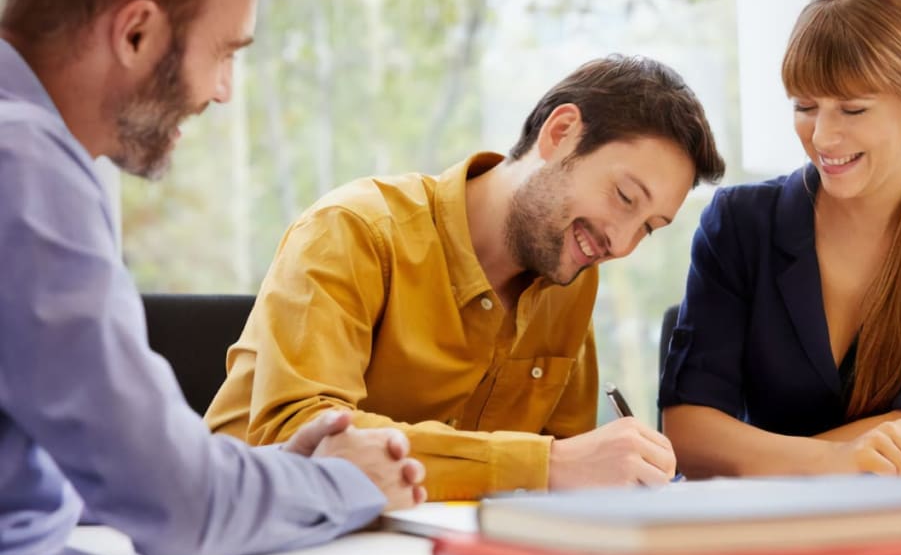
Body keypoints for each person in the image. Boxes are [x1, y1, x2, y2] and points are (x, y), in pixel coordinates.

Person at [0, 0, 426, 555]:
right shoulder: (25, 167)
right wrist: (347, 483)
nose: (222, 91)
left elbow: (84, 469)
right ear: (137, 33)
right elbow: (181, 508)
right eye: (224, 52)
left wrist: (284, 477)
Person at [205, 55, 726, 499]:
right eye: (625, 197)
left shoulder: (571, 283)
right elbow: (302, 436)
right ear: (561, 133)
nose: (622, 243)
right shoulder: (353, 230)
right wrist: (545, 464)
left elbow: (574, 470)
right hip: (256, 548)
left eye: (649, 228)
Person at [659, 0, 901, 478]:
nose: (822, 137)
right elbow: (690, 437)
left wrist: (755, 456)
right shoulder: (740, 223)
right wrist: (837, 459)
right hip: (769, 524)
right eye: (805, 106)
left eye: (853, 110)